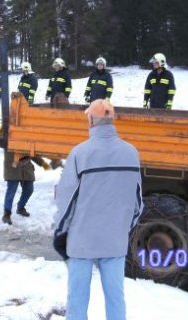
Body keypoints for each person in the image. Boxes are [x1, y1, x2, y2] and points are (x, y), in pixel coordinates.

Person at [54, 99, 143, 320]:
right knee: (115, 298)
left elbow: (67, 201)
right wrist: (122, 229)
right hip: (114, 242)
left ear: (92, 120)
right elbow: (137, 203)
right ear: (112, 120)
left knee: (77, 300)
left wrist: (60, 233)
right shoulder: (131, 153)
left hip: (81, 242)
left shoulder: (80, 154)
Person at [2, 154, 50, 225]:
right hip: (13, 166)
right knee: (11, 191)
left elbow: (33, 153)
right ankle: (7, 214)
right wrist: (9, 143)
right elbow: (0, 143)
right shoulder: (8, 142)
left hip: (27, 168)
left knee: (29, 189)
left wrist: (45, 165)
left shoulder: (28, 142)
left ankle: (20, 207)